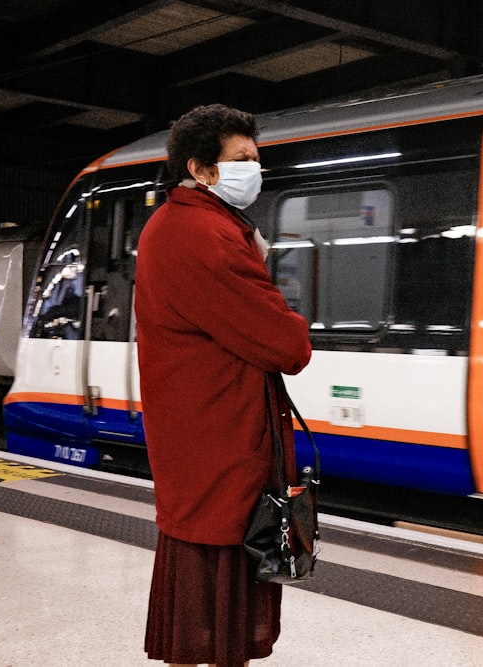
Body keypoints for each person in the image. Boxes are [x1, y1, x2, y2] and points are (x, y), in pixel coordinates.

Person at [135, 104, 312, 667]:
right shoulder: (205, 234)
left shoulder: (179, 224)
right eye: (241, 159)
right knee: (219, 609)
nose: (254, 169)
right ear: (202, 169)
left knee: (203, 601)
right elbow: (288, 346)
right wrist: (289, 317)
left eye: (256, 158)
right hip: (222, 446)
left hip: (202, 441)